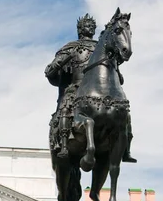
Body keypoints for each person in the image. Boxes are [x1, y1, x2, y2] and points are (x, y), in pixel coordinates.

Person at [45, 13, 136, 162]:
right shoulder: (71, 48)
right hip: (75, 88)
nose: (90, 28)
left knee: (124, 111)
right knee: (65, 106)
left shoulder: (102, 46)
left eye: (92, 26)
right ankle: (63, 144)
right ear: (80, 29)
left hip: (103, 91)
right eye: (86, 25)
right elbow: (51, 72)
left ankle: (125, 146)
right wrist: (58, 63)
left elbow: (116, 73)